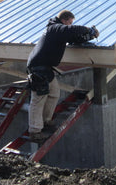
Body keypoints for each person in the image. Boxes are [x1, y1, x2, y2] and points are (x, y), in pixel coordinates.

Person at [26, 10, 99, 142]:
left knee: (54, 93)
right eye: (70, 22)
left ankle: (46, 120)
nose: (71, 25)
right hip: (38, 68)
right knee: (38, 99)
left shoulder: (58, 32)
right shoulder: (54, 28)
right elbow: (72, 30)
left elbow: (73, 38)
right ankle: (35, 131)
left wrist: (89, 37)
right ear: (64, 21)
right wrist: (88, 29)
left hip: (45, 68)